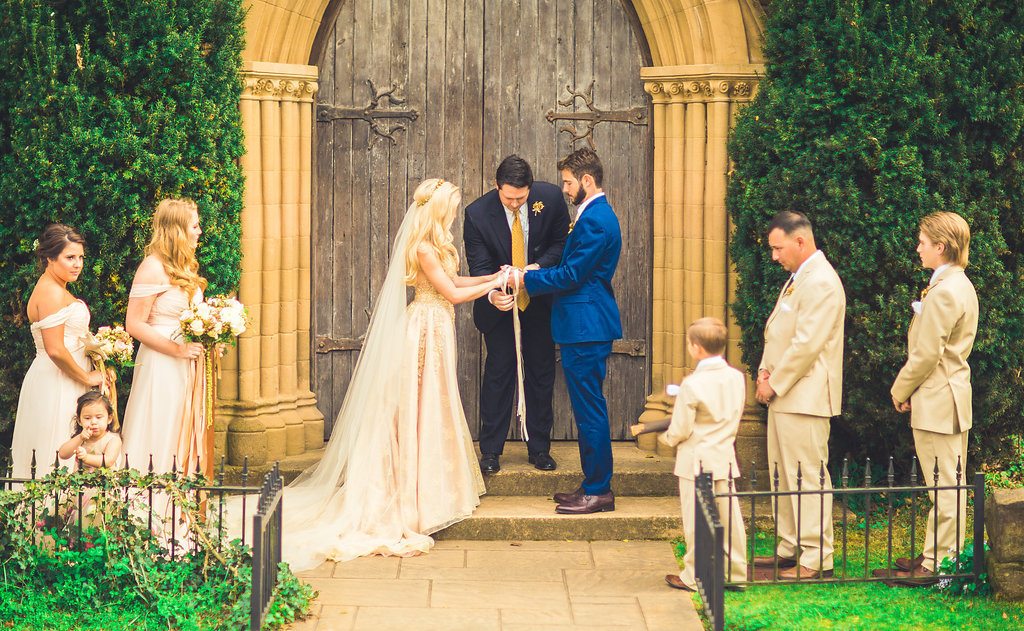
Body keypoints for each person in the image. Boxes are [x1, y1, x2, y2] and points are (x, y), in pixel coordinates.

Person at [279, 178, 505, 571]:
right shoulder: (422, 247)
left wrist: (494, 278)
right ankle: (412, 496)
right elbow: (450, 294)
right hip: (425, 328)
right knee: (421, 402)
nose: (455, 209)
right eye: (452, 204)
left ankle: (431, 488)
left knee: (434, 401)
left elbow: (456, 283)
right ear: (438, 208)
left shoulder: (439, 245)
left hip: (439, 326)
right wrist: (493, 286)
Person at [517, 148, 622, 515]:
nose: (563, 188)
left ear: (586, 181)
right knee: (587, 408)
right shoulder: (591, 214)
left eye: (567, 182)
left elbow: (573, 275)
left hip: (586, 326)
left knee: (590, 411)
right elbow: (571, 265)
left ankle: (598, 490)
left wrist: (526, 277)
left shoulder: (594, 219)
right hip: (583, 325)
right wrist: (535, 268)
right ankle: (592, 483)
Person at [884, 212, 978, 586]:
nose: (918, 247)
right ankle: (935, 553)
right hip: (946, 396)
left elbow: (926, 355)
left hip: (940, 400)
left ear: (940, 247)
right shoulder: (957, 285)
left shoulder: (945, 291)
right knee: (945, 484)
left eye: (923, 241)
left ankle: (940, 565)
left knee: (944, 487)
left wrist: (900, 389)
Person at [753, 210, 845, 580]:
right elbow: (779, 330)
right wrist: (763, 369)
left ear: (800, 241)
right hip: (785, 394)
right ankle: (789, 547)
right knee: (783, 474)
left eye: (778, 248)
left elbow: (807, 345)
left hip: (804, 396)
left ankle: (816, 555)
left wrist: (773, 383)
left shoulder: (821, 281)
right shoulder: (799, 278)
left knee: (808, 476)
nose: (774, 256)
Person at [463, 155, 569, 473]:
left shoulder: (550, 199)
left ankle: (539, 449)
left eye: (521, 198)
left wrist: (536, 269)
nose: (514, 203)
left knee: (541, 372)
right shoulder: (477, 214)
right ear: (497, 187)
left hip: (539, 300)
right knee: (499, 373)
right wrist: (493, 294)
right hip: (500, 307)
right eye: (508, 197)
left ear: (530, 189)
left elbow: (561, 243)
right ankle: (491, 452)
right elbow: (479, 267)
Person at [659, 317, 747, 592]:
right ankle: (735, 573)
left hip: (696, 460)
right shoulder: (737, 377)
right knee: (730, 517)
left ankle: (694, 575)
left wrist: (667, 438)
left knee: (696, 519)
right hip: (724, 455)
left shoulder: (692, 384)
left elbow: (681, 427)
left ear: (696, 348)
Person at [10, 224, 105, 478]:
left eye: (81, 257)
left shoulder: (57, 287)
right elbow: (55, 350)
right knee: (54, 447)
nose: (78, 264)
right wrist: (88, 378)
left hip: (65, 377)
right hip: (57, 380)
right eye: (70, 257)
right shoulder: (51, 292)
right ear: (49, 258)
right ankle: (49, 514)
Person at [121, 199, 206, 475]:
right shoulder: (152, 267)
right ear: (178, 230)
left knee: (178, 426)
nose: (199, 231)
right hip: (161, 362)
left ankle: (176, 506)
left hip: (184, 363)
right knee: (159, 423)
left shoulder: (184, 266)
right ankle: (147, 504)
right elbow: (134, 324)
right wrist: (177, 350)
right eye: (194, 225)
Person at [58, 391, 122, 471]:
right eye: (88, 418)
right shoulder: (80, 439)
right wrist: (80, 437)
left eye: (99, 417)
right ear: (79, 421)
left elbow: (108, 461)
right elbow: (63, 454)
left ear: (109, 419)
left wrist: (85, 457)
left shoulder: (113, 440)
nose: (93, 422)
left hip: (105, 482)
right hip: (80, 482)